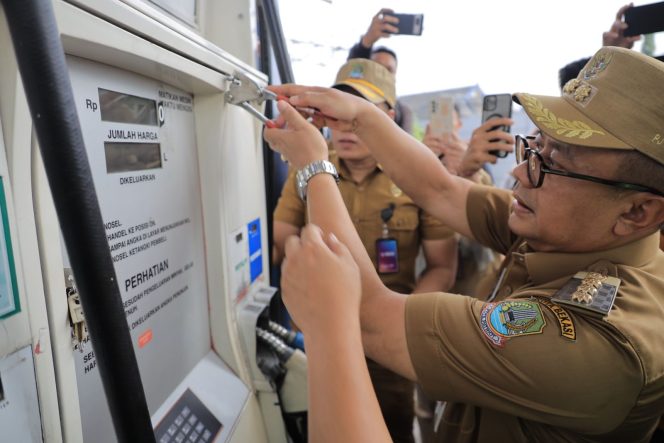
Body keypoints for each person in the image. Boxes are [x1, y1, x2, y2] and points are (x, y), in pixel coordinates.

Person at [264, 46, 664, 442]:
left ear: (638, 212)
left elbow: (366, 316)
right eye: (538, 146)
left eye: (556, 164)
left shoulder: (598, 342)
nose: (523, 172)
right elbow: (442, 190)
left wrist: (314, 167)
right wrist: (362, 118)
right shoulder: (571, 229)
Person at [272, 58, 458, 443]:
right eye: (334, 109)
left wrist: (397, 323)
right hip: (316, 335)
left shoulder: (415, 179)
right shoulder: (308, 169)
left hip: (391, 350)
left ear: (388, 116)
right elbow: (283, 239)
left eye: (359, 112)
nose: (342, 128)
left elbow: (442, 267)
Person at [347, 8, 413, 133]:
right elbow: (351, 71)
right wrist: (367, 41)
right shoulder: (351, 98)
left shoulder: (404, 112)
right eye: (377, 66)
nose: (382, 73)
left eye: (389, 69)